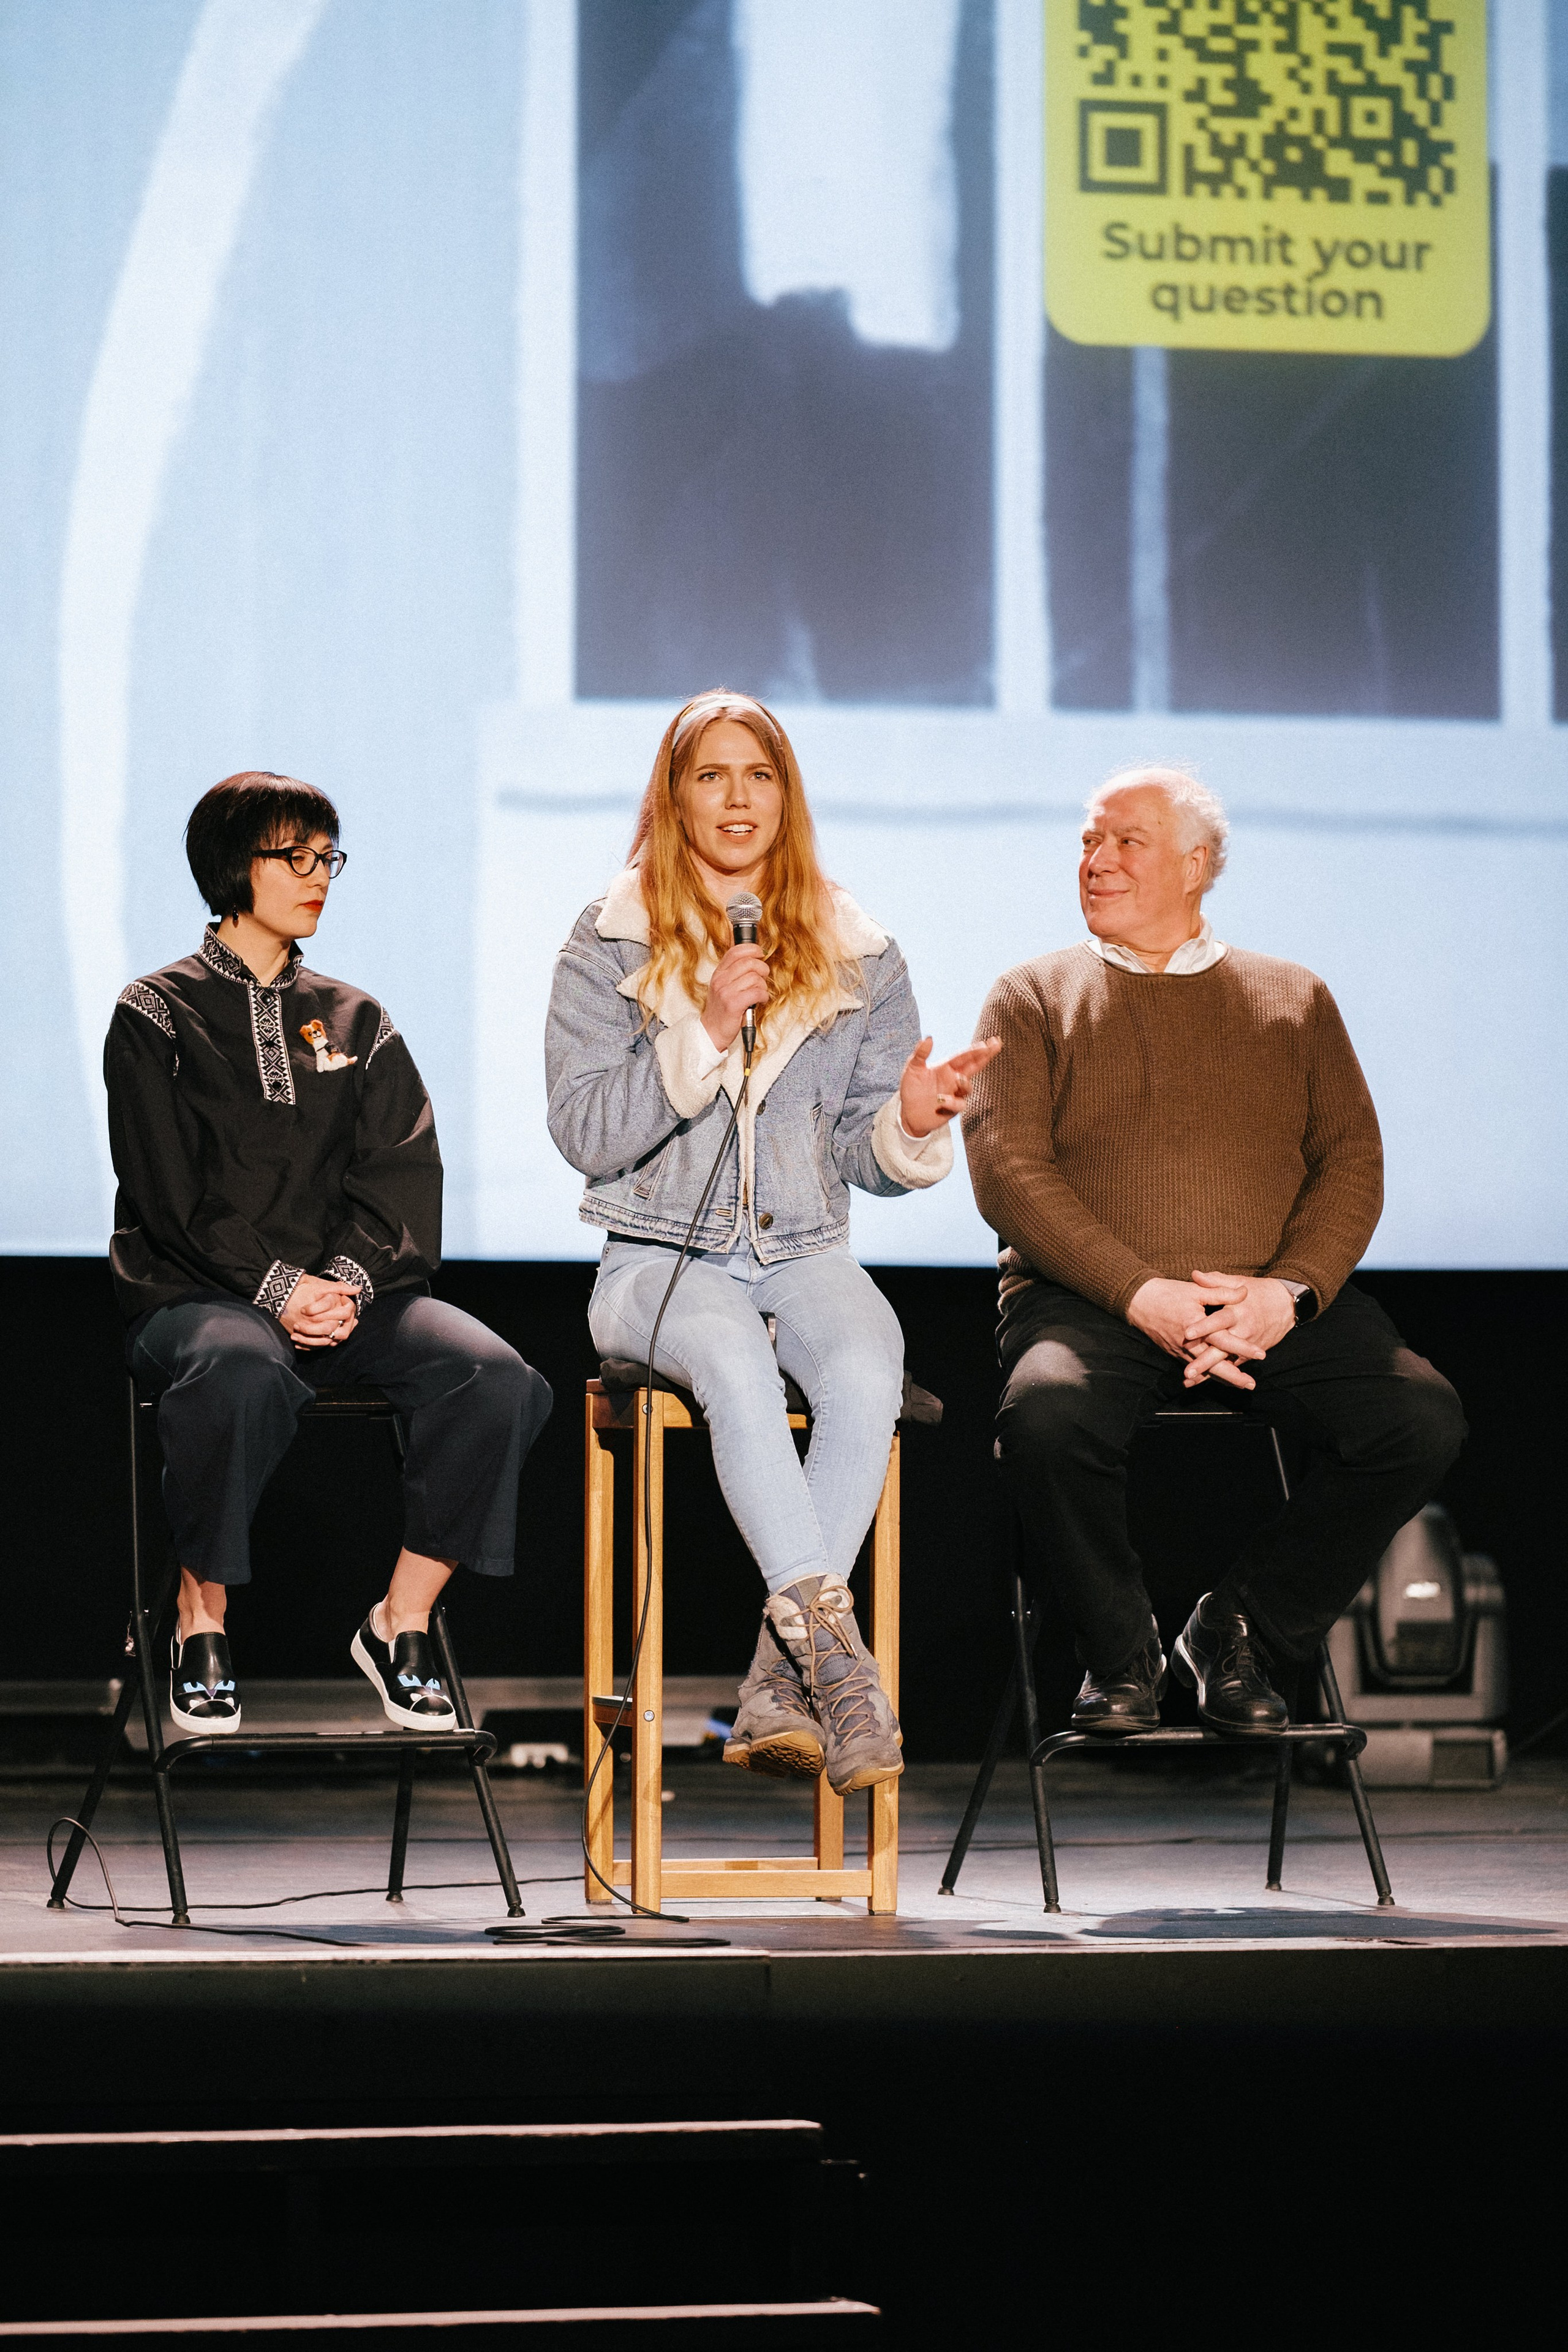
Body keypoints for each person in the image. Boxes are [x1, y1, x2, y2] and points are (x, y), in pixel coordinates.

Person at [545, 690, 1000, 1794]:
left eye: (759, 775)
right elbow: (581, 1130)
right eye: (710, 775)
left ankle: (782, 1671)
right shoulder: (610, 936)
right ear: (674, 795)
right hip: (654, 1260)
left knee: (867, 1361)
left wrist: (913, 1120)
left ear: (787, 796)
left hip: (802, 1248)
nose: (737, 798)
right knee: (738, 1368)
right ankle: (840, 1668)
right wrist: (699, 1029)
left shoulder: (858, 950)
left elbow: (858, 1152)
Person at [962, 764, 1464, 1736]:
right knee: (1048, 1420)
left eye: (1125, 841)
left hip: (1263, 1305)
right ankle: (1120, 1655)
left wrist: (1288, 1295)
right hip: (1090, 1302)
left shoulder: (1293, 997)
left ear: (1196, 866)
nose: (1096, 860)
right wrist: (1139, 1292)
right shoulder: (1031, 997)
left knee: (1419, 1417)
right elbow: (1009, 1173)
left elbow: (1352, 1162)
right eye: (1087, 841)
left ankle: (1240, 1628)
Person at [107, 770, 552, 1737]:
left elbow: (401, 1172)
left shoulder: (355, 1018)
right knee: (236, 1368)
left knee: (498, 1379)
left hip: (351, 1297)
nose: (317, 876)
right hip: (199, 1294)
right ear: (234, 866)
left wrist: (342, 1283)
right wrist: (275, 1289)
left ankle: (401, 1621)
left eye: (327, 858)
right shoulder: (155, 1014)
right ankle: (200, 1620)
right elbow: (167, 1195)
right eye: (293, 856)